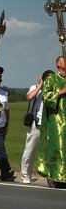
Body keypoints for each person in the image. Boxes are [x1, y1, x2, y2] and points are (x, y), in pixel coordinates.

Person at [36, 56, 66, 187]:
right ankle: (55, 175)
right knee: (58, 146)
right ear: (58, 64)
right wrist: (61, 92)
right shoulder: (51, 79)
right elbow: (46, 97)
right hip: (57, 119)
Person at [20, 70, 53, 183]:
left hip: (50, 125)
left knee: (51, 152)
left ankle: (51, 175)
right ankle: (26, 175)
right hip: (36, 124)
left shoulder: (54, 90)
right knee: (30, 150)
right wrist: (40, 86)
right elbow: (29, 97)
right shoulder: (35, 88)